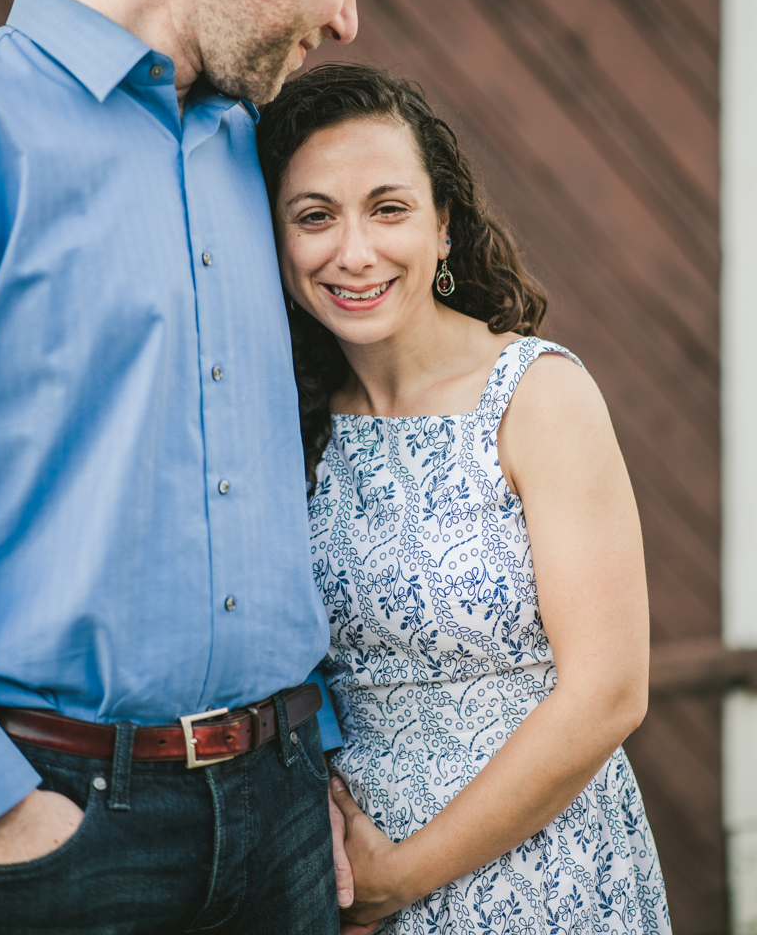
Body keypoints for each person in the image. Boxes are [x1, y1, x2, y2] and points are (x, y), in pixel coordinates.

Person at [0, 0, 394, 935]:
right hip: (55, 835)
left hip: (286, 815)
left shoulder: (266, 165)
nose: (346, 17)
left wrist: (320, 761)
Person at [256, 63, 672, 934]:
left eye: (389, 208)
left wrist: (401, 877)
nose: (355, 251)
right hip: (348, 877)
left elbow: (609, 691)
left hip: (541, 875)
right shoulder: (282, 419)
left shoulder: (535, 395)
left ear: (444, 226)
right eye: (314, 217)